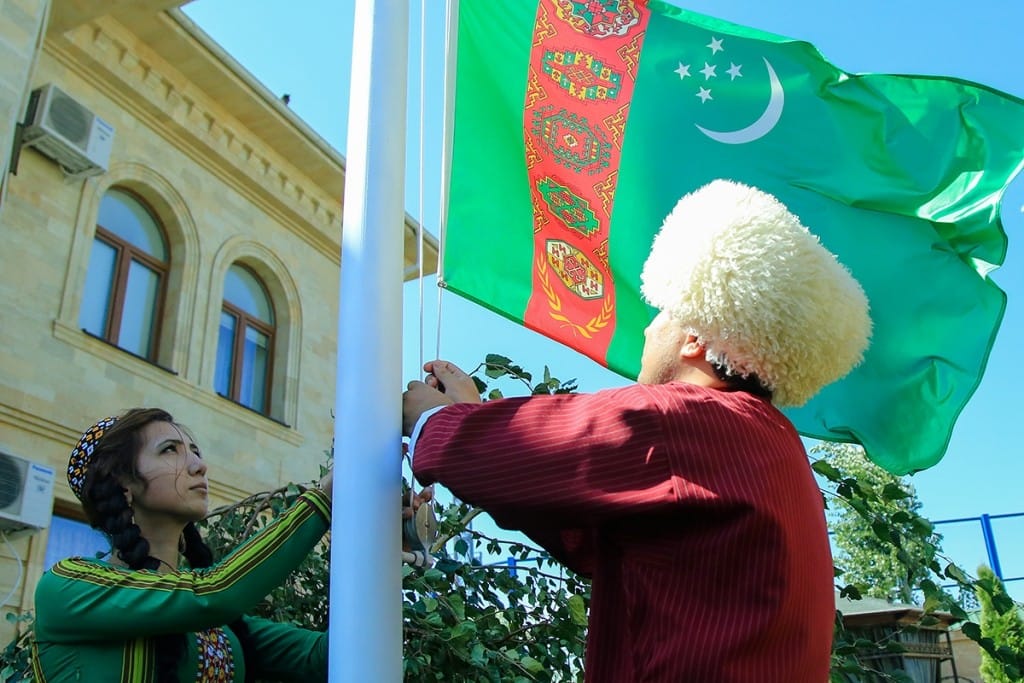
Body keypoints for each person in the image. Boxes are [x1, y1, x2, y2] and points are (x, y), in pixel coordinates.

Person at [402, 179, 872, 682]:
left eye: (660, 313)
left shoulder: (689, 421)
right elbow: (598, 541)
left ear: (694, 340)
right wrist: (470, 420)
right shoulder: (772, 446)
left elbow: (534, 445)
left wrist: (432, 420)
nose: (648, 330)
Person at [32, 407, 332, 682]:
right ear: (123, 483)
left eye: (195, 451)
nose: (199, 466)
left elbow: (326, 655)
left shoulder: (223, 629)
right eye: (169, 450)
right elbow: (214, 592)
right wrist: (323, 499)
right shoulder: (65, 587)